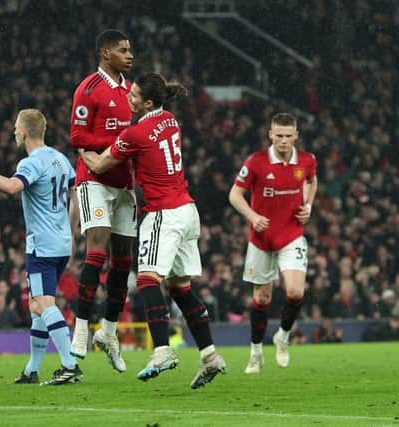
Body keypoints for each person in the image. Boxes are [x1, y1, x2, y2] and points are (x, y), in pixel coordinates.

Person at [80, 72, 226, 388]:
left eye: (133, 96)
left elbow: (100, 165)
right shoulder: (170, 120)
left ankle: (161, 350)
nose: (127, 99)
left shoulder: (136, 132)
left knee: (147, 279)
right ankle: (211, 354)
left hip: (164, 214)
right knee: (181, 289)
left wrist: (81, 147)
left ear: (147, 102)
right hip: (188, 211)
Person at [0, 108, 82, 385]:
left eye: (15, 127)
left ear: (23, 132)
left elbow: (10, 188)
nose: (13, 132)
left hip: (42, 245)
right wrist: (69, 227)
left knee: (44, 303)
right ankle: (32, 369)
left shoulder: (30, 163)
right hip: (61, 242)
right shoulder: (60, 159)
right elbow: (76, 192)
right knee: (36, 306)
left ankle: (70, 364)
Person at [228, 112, 318, 374]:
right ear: (270, 135)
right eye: (278, 136)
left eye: (288, 136)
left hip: (291, 236)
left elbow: (311, 181)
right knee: (262, 299)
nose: (283, 141)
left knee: (295, 293)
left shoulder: (306, 161)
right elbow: (235, 194)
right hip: (261, 240)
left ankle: (282, 336)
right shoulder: (256, 162)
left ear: (296, 136)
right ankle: (256, 351)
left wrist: (308, 205)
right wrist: (253, 216)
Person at [69, 29, 136, 373]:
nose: (130, 55)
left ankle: (108, 332)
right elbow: (77, 136)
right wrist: (116, 143)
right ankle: (80, 329)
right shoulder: (88, 89)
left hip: (124, 184)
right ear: (105, 54)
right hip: (94, 179)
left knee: (123, 260)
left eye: (130, 50)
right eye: (124, 50)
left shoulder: (131, 91)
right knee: (97, 249)